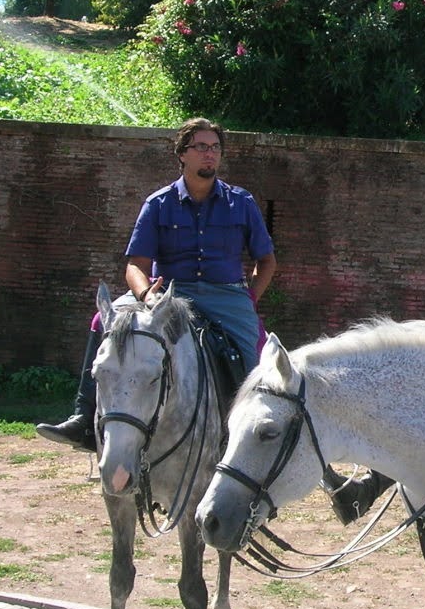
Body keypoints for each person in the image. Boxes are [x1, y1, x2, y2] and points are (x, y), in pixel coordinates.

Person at [37, 118, 275, 453]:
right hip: (169, 294)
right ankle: (83, 418)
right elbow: (136, 265)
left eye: (215, 148)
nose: (210, 154)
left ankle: (254, 435)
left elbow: (267, 261)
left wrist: (249, 298)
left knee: (253, 351)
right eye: (201, 147)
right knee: (101, 321)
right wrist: (146, 293)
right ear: (182, 154)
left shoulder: (241, 202)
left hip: (227, 296)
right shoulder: (158, 203)